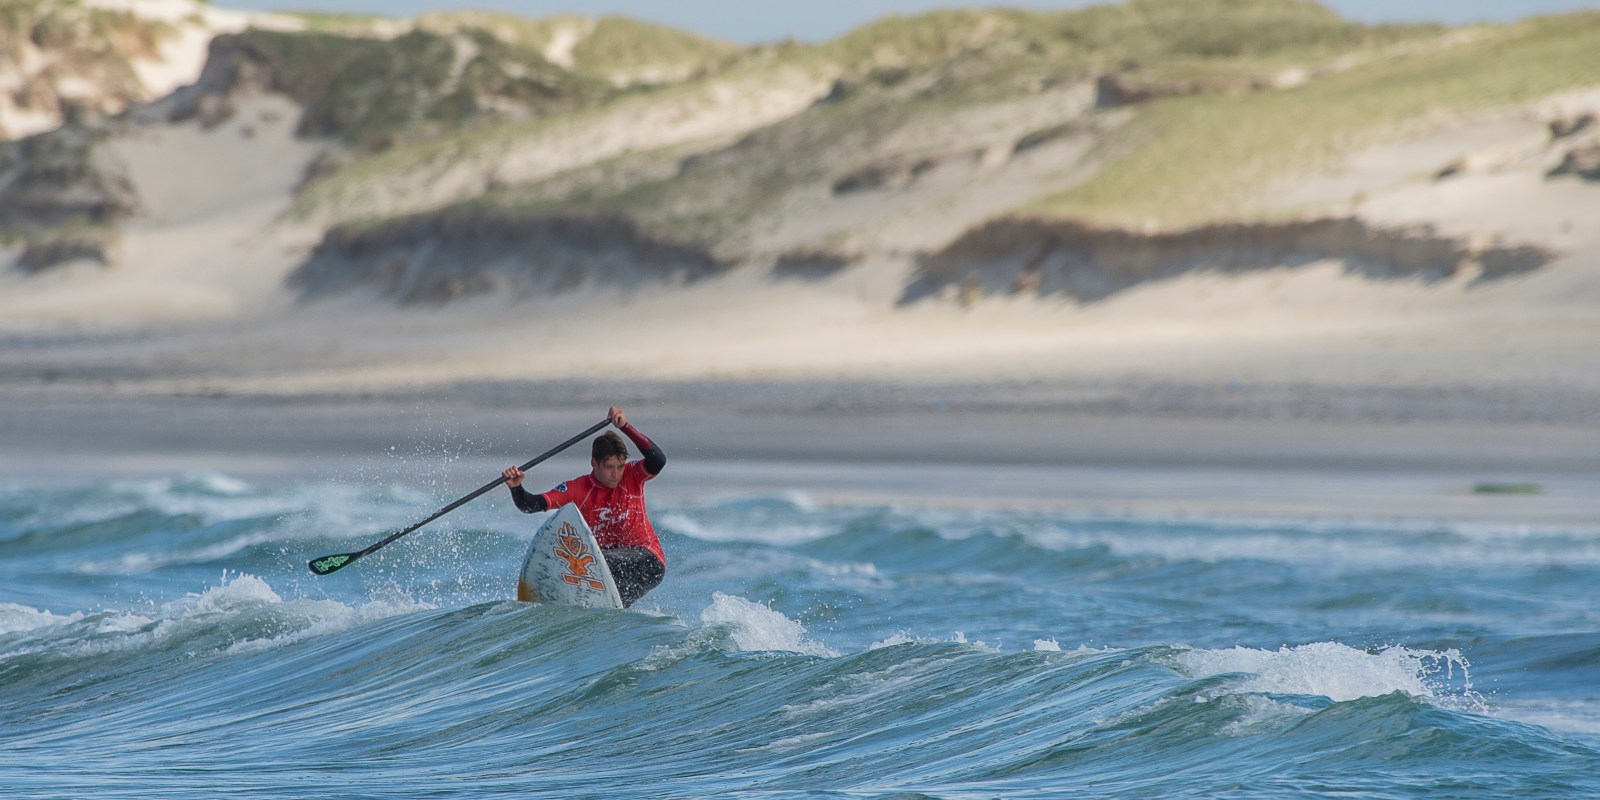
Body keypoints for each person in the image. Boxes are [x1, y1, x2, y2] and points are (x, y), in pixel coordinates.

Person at [504, 407, 666, 607]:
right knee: (609, 608)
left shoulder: (632, 475)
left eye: (620, 466)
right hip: (609, 572)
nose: (616, 474)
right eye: (609, 467)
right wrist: (517, 488)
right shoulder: (577, 489)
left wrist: (625, 427)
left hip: (649, 561)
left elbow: (658, 460)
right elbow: (531, 506)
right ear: (594, 463)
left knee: (588, 563)